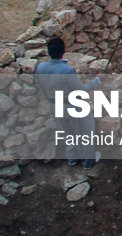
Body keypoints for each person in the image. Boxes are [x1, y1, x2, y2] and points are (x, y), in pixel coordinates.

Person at [35, 37, 101, 168]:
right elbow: (80, 90)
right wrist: (96, 82)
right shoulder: (67, 71)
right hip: (72, 106)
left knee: (67, 133)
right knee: (85, 133)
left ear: (49, 51)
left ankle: (72, 158)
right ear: (64, 51)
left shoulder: (40, 67)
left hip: (55, 105)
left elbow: (40, 86)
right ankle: (88, 162)